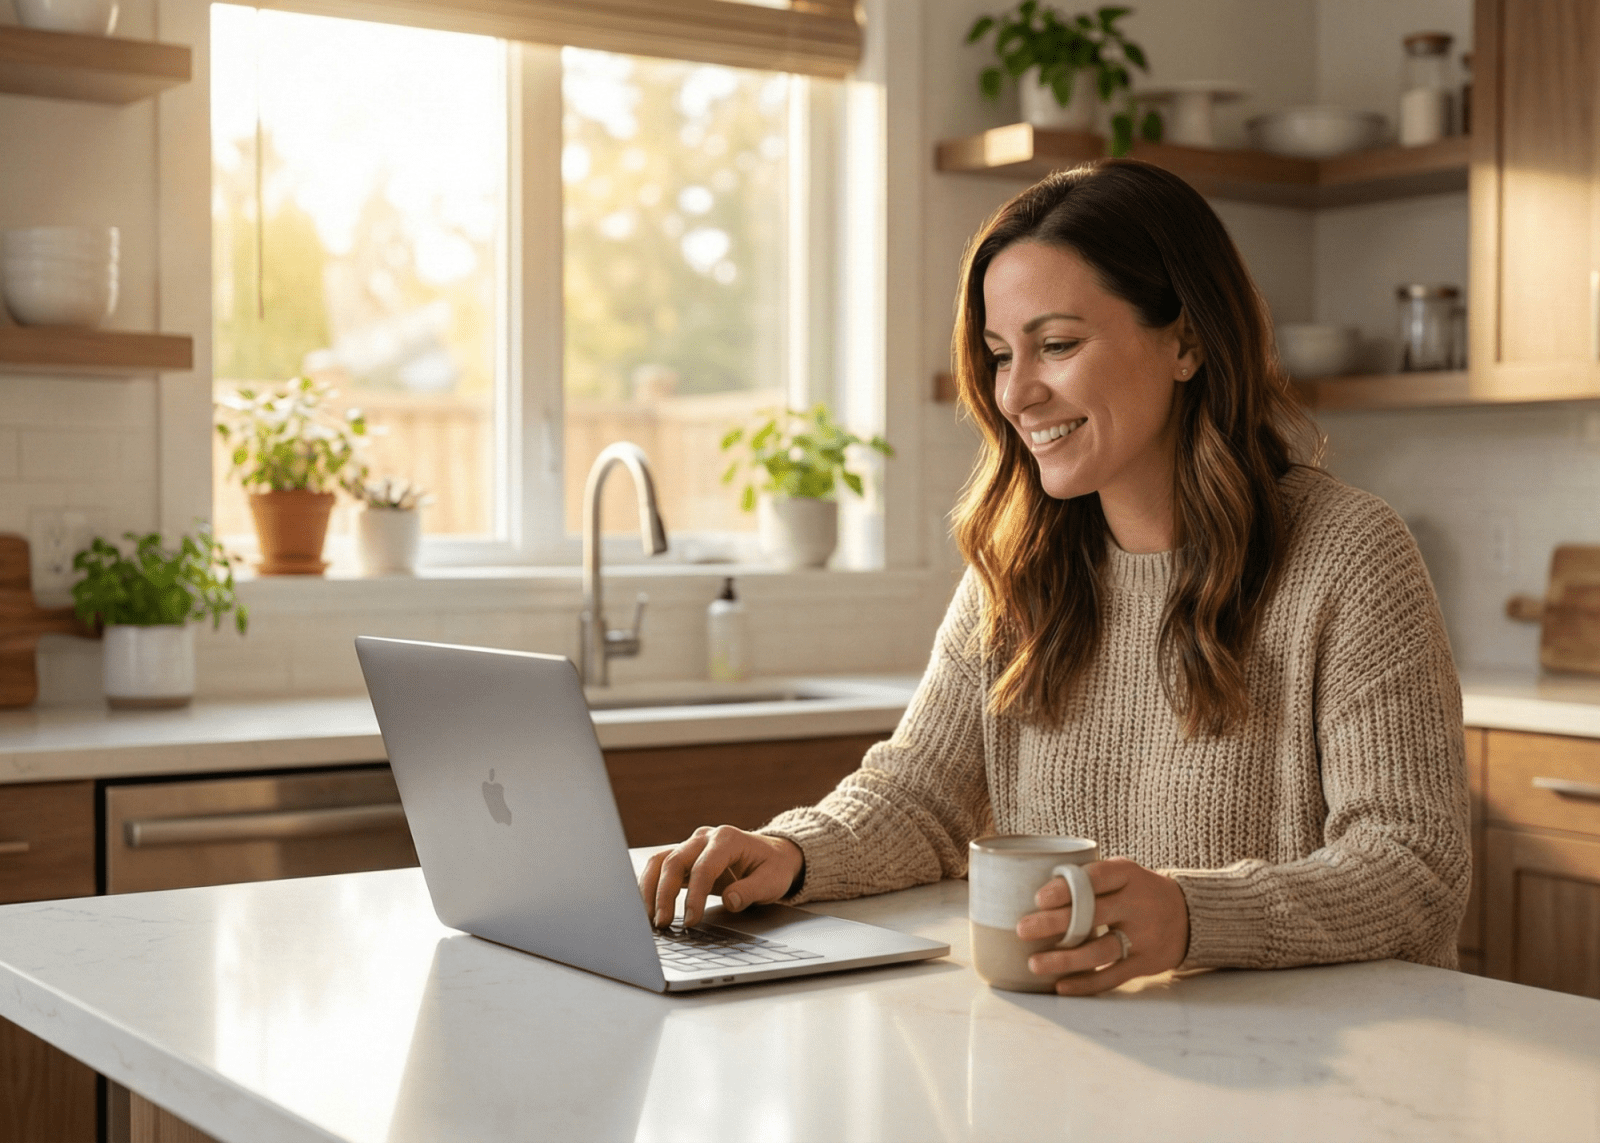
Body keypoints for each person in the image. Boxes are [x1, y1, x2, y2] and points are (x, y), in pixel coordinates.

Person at [639, 159, 1470, 995]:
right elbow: (921, 798)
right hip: (1080, 1049)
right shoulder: (1022, 561)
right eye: (1001, 355)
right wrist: (790, 854)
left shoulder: (1350, 554)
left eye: (1058, 344)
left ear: (1186, 340)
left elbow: (1412, 867)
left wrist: (1191, 915)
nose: (1017, 392)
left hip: (1300, 1074)